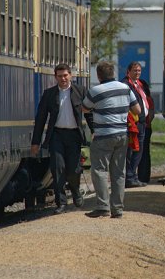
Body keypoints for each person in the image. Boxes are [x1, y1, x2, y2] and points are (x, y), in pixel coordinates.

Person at [82, 61, 141, 219]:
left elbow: (85, 108)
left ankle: (102, 206)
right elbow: (138, 110)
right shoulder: (125, 88)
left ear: (99, 75)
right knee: (119, 173)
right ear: (113, 73)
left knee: (100, 170)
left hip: (103, 135)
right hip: (122, 135)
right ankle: (118, 209)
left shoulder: (96, 90)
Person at [31, 63, 88, 214]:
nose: (63, 78)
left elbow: (90, 112)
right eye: (60, 76)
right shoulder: (49, 94)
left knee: (74, 170)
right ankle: (61, 202)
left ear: (71, 75)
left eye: (65, 75)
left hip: (74, 135)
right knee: (57, 168)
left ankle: (75, 191)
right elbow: (41, 118)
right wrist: (36, 142)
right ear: (55, 77)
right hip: (56, 135)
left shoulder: (80, 91)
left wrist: (95, 132)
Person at [122, 62, 152, 187]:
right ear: (128, 71)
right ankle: (130, 177)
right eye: (135, 70)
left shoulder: (140, 84)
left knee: (138, 151)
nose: (137, 73)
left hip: (142, 122)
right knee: (132, 151)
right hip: (132, 123)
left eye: (139, 70)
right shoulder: (126, 85)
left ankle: (133, 176)